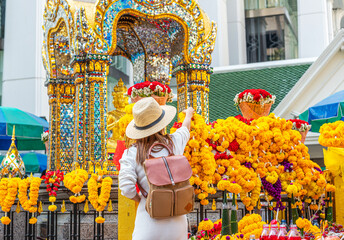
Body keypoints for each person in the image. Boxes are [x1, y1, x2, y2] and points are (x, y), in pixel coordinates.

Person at [119, 97, 194, 240]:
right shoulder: (174, 143)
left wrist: (142, 198)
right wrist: (189, 114)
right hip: (177, 223)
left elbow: (126, 188)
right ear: (161, 123)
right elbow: (185, 129)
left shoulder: (132, 152)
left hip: (149, 222)